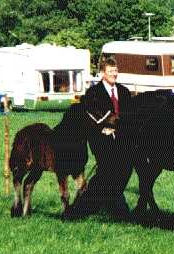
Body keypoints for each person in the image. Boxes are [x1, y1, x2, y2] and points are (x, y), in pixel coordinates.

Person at [65, 57, 133, 220]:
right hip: (101, 140)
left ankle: (95, 207)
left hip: (121, 140)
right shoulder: (93, 93)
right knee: (108, 172)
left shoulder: (124, 92)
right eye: (110, 71)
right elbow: (91, 118)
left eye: (115, 71)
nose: (114, 74)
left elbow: (128, 116)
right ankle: (118, 212)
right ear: (103, 73)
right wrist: (104, 128)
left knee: (121, 172)